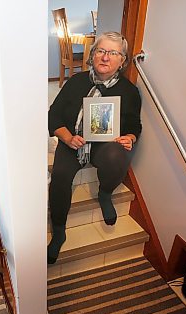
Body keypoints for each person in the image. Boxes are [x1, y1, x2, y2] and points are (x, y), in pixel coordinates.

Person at [47, 31, 142, 264]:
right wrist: (67, 137)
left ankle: (105, 193)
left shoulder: (129, 91)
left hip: (102, 145)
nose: (105, 57)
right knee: (59, 175)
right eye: (101, 51)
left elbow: (133, 125)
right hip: (73, 141)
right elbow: (53, 115)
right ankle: (59, 231)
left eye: (113, 53)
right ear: (92, 55)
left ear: (123, 60)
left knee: (118, 155)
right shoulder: (76, 81)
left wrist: (129, 137)